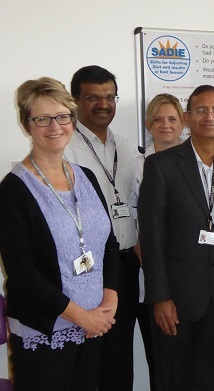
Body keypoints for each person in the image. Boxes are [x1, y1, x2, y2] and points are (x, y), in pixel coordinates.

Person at [0, 77, 119, 390]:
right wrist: (81, 316)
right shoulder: (13, 190)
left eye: (62, 116)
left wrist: (111, 296)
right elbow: (23, 273)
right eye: (42, 119)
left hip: (94, 324)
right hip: (46, 328)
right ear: (27, 125)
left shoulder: (87, 177)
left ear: (72, 119)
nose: (54, 126)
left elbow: (109, 243)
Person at [138, 85, 214, 390]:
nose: (210, 116)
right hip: (176, 300)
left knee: (213, 379)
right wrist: (160, 297)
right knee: (173, 380)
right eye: (201, 110)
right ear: (188, 118)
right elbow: (152, 238)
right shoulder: (160, 166)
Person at [63, 65, 147, 390]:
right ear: (75, 101)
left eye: (109, 97)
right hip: (89, 272)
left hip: (128, 265)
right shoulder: (66, 149)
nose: (103, 104)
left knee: (120, 359)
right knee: (90, 359)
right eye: (93, 97)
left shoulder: (128, 148)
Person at [130, 93, 186, 390]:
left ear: (183, 123)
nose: (165, 125)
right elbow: (134, 225)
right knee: (160, 360)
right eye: (158, 119)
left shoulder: (197, 162)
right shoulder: (137, 166)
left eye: (172, 118)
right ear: (148, 124)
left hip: (190, 280)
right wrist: (155, 269)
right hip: (149, 277)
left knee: (189, 360)